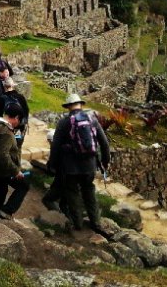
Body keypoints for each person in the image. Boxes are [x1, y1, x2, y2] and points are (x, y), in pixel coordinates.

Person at [48, 93, 110, 233]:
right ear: (81, 105)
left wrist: (52, 165)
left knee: (73, 192)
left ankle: (78, 223)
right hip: (90, 165)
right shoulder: (92, 119)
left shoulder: (64, 122)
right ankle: (96, 222)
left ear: (69, 107)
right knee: (89, 191)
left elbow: (55, 146)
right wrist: (105, 162)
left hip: (71, 167)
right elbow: (104, 143)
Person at [0, 101, 30, 221]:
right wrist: (15, 171)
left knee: (0, 192)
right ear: (16, 118)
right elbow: (3, 155)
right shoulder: (7, 134)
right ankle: (6, 210)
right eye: (19, 120)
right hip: (3, 169)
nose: (18, 124)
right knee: (23, 186)